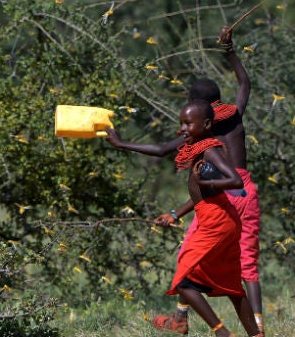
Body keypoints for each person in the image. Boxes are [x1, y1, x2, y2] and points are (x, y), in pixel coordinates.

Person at [106, 26, 264, 336]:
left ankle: (192, 322)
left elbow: (163, 150)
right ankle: (257, 328)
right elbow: (245, 83)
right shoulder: (234, 115)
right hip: (248, 191)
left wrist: (123, 144)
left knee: (190, 258)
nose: (183, 125)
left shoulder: (203, 136)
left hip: (223, 197)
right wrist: (229, 50)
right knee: (242, 264)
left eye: (187, 118)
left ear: (201, 113)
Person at [157, 99, 260, 337]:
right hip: (221, 218)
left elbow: (234, 180)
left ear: (205, 124)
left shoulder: (209, 150)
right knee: (233, 288)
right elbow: (201, 195)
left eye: (188, 124)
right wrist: (174, 214)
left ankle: (222, 333)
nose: (182, 129)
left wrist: (206, 181)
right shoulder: (200, 148)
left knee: (183, 281)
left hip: (216, 222)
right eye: (181, 123)